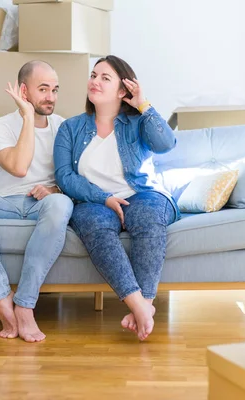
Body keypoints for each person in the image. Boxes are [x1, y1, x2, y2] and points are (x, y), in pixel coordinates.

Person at [54, 55, 180, 341]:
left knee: (148, 216)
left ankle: (144, 304)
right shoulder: (70, 128)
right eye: (93, 75)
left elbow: (166, 144)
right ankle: (140, 307)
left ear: (123, 90)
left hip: (141, 195)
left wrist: (144, 105)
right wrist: (104, 198)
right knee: (94, 224)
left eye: (105, 78)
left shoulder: (137, 122)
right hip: (94, 202)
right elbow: (65, 177)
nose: (94, 81)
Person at [0, 60, 73, 343]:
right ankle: (0, 297)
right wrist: (29, 118)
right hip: (5, 203)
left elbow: (74, 176)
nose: (51, 97)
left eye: (55, 90)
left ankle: (25, 305)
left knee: (61, 204)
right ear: (23, 91)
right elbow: (19, 167)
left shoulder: (64, 127)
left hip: (42, 205)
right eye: (43, 89)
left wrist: (55, 188)